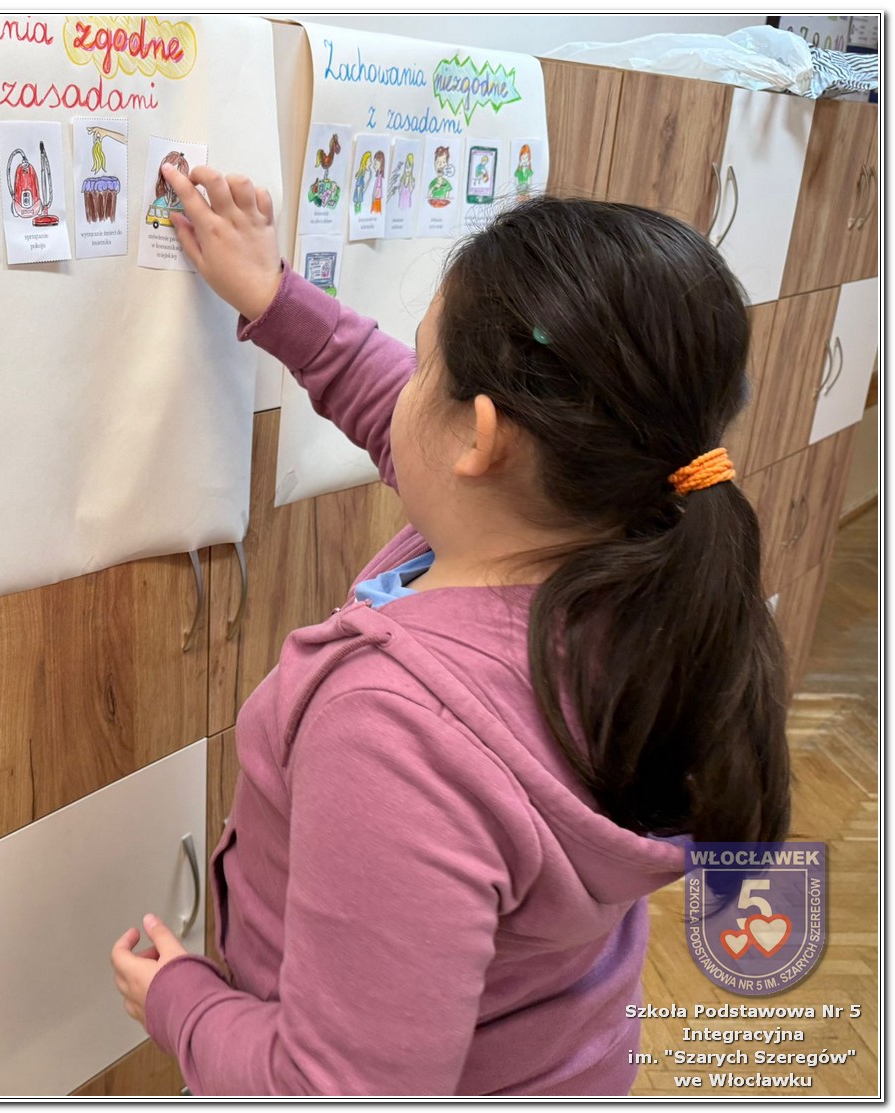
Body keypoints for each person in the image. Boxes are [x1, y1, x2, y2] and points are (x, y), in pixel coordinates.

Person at [110, 165, 790, 1096]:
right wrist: (272, 296)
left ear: (480, 438)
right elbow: (398, 411)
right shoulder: (637, 561)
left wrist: (180, 1003)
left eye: (423, 362)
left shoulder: (396, 734)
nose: (404, 383)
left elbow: (342, 1092)